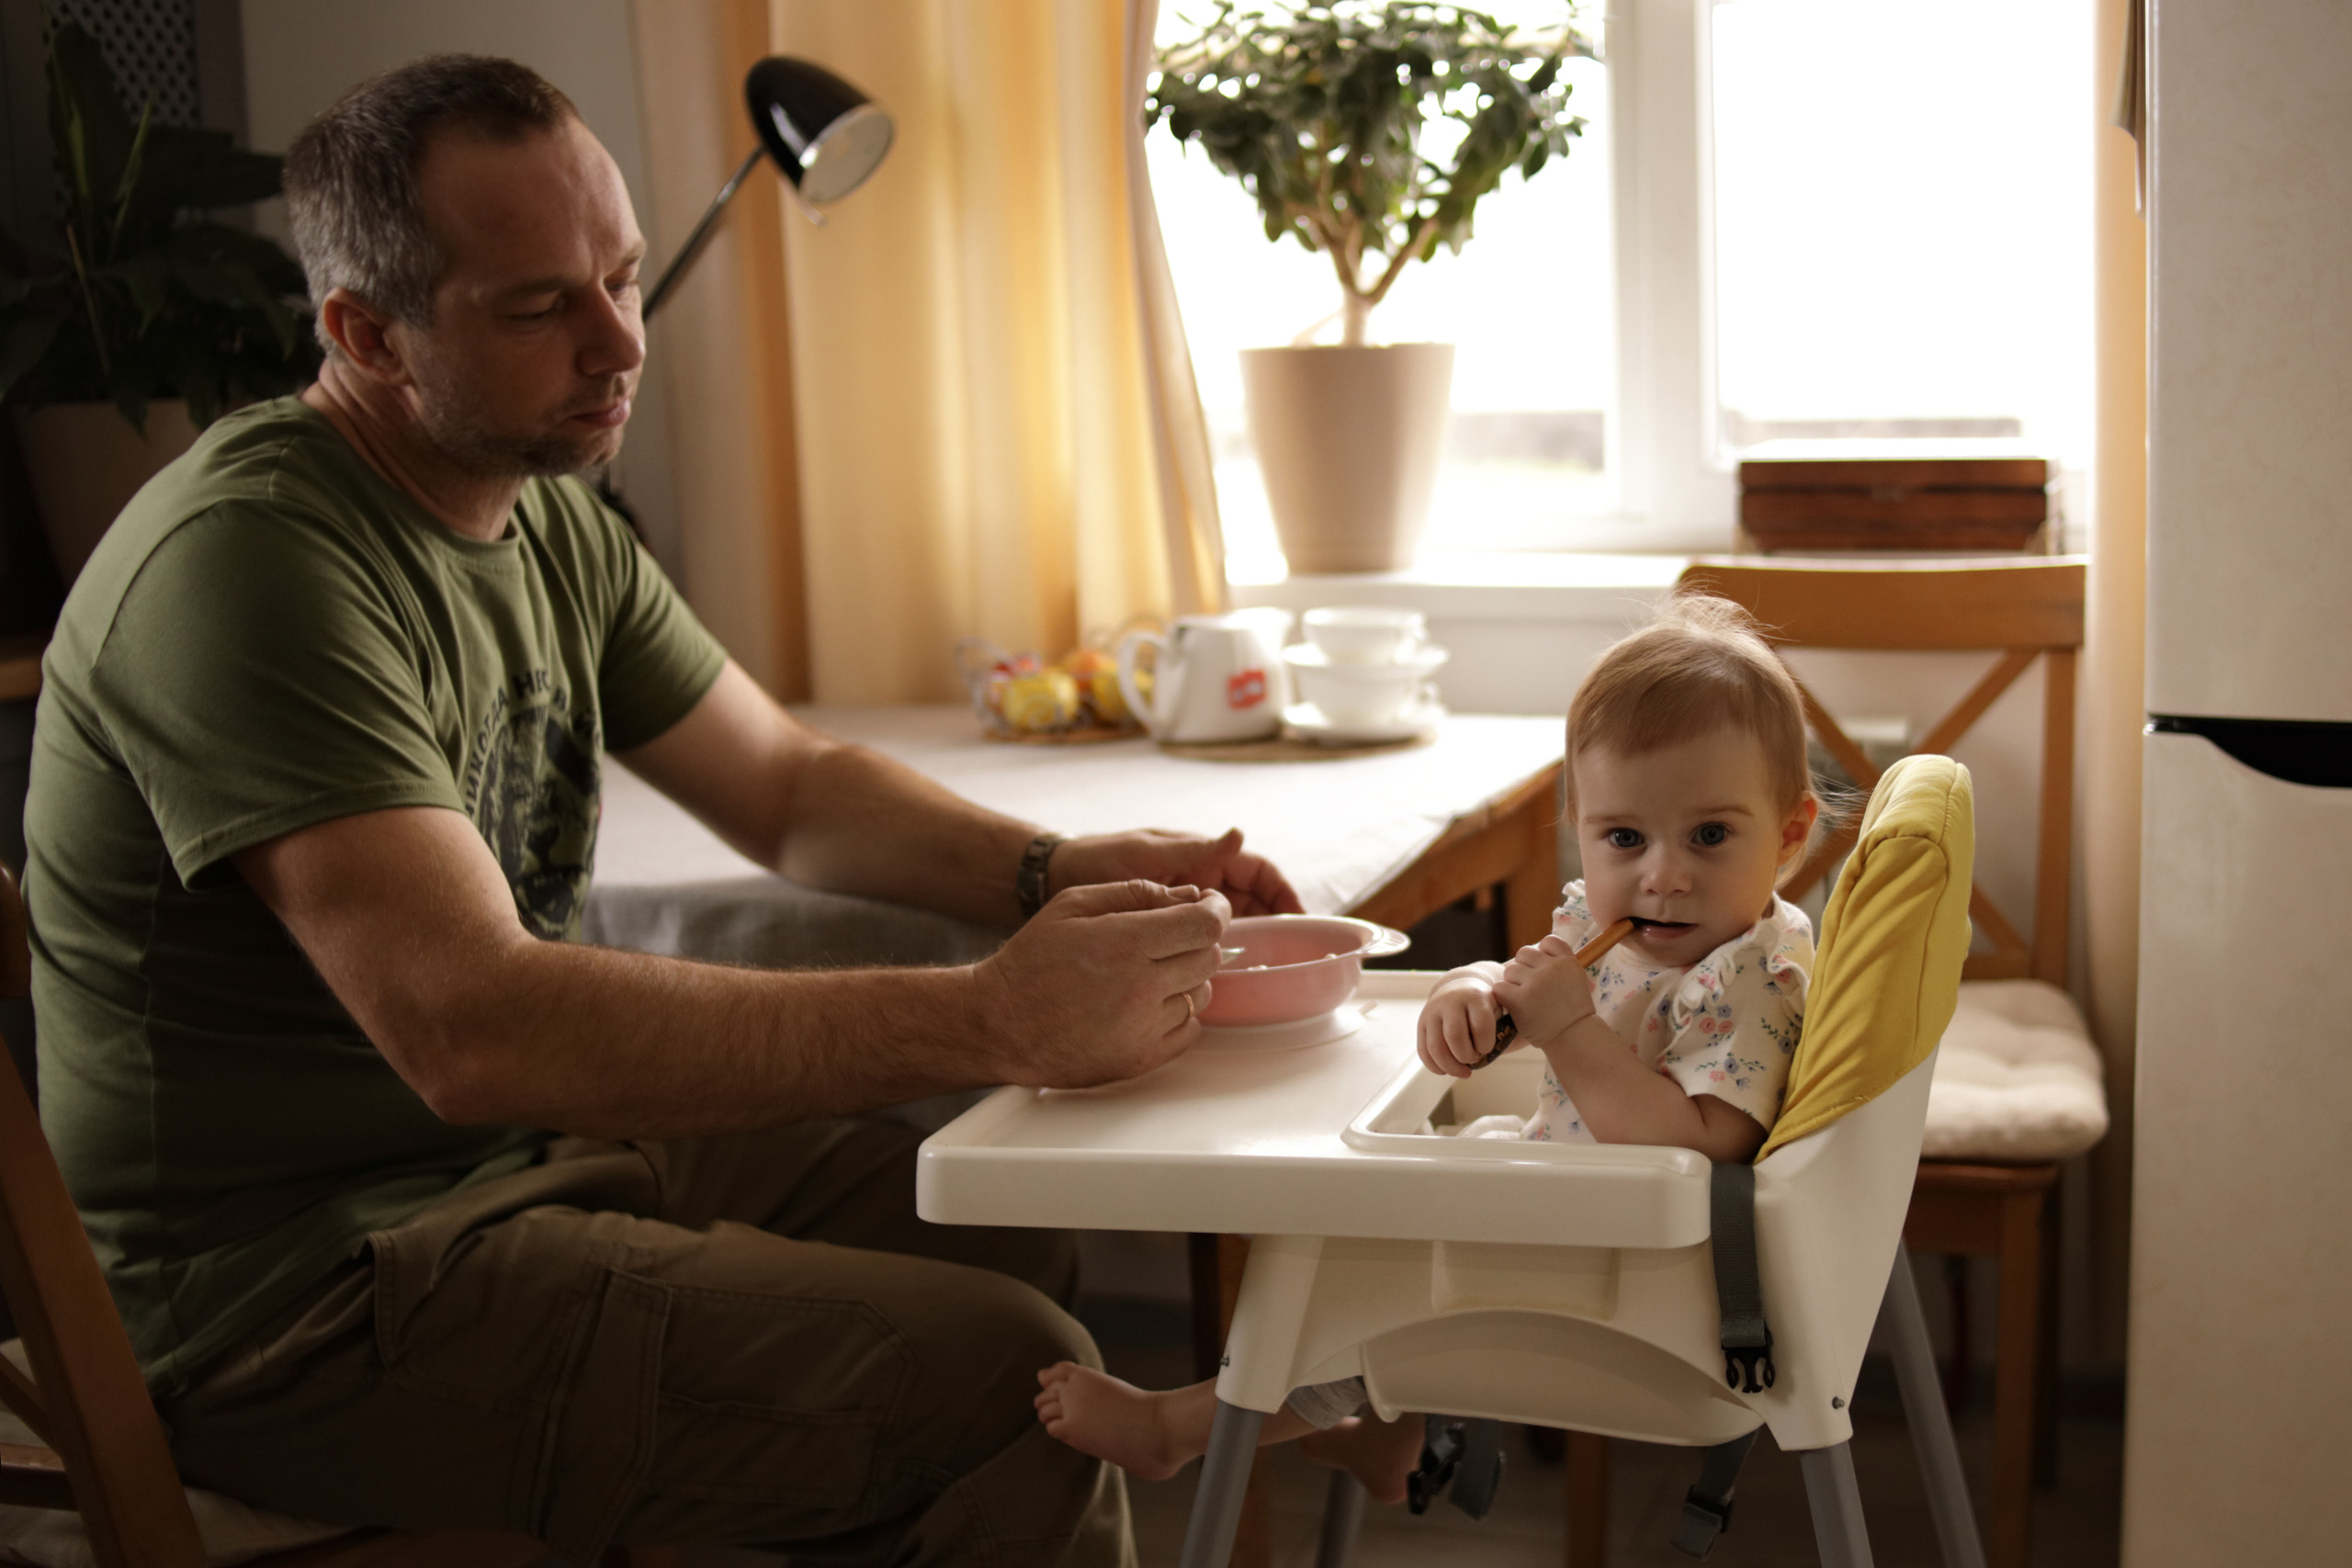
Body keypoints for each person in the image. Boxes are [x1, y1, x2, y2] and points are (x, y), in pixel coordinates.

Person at [23, 54, 1300, 1566]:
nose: (620, 341)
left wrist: (1050, 868)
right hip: (292, 1298)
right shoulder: (251, 568)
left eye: (621, 276)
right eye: (538, 304)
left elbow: (786, 786)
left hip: (517, 1171)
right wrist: (993, 1018)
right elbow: (474, 1028)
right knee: (994, 1376)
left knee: (992, 1209)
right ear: (365, 333)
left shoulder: (545, 508)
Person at [1035, 592, 1819, 1501]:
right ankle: (1383, 1437)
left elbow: (1699, 1144)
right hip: (1567, 1218)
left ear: (1791, 834)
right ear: (1580, 830)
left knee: (1354, 1272)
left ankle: (1179, 1429)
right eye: (1623, 837)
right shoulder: (1624, 932)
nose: (1663, 874)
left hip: (1641, 1285)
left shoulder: (1749, 980)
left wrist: (1563, 1028)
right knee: (1348, 1219)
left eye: (1710, 835)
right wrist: (1472, 992)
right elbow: (1528, 985)